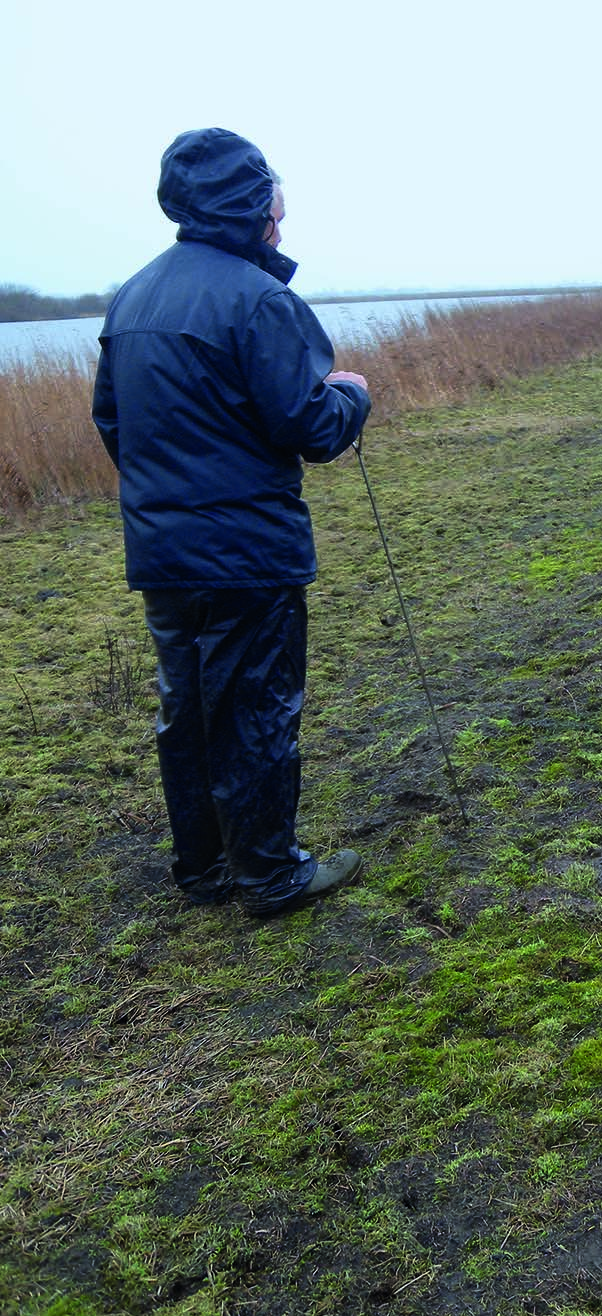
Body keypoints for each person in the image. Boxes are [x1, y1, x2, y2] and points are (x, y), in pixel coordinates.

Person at [92, 128, 371, 919]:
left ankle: (206, 866)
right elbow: (314, 428)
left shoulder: (133, 296)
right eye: (274, 206)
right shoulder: (259, 299)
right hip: (247, 552)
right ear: (250, 207)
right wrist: (351, 390)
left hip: (164, 551)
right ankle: (270, 875)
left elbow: (113, 423)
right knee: (254, 708)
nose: (281, 221)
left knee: (189, 711)